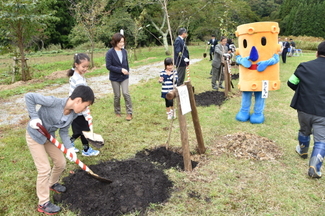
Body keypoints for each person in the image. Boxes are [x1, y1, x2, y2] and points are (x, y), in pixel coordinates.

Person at [25, 85, 95, 215]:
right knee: (44, 169)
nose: (85, 109)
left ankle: (52, 183)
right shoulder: (53, 102)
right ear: (78, 100)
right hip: (35, 136)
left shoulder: (73, 113)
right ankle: (43, 203)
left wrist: (70, 149)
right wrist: (34, 117)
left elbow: (63, 131)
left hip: (49, 137)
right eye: (85, 106)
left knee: (61, 163)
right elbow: (29, 97)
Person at [288, 41, 325, 178]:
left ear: (317, 53)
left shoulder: (304, 66)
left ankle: (303, 151)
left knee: (304, 130)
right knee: (321, 140)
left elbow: (291, 83)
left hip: (303, 108)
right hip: (323, 112)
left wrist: (303, 90)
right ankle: (315, 167)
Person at [67, 53, 99, 156]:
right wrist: (86, 112)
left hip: (75, 108)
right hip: (78, 109)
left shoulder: (77, 76)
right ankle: (86, 150)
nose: (85, 69)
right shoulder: (78, 79)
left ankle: (69, 143)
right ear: (76, 65)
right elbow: (81, 97)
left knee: (78, 130)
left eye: (87, 67)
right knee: (85, 130)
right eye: (83, 66)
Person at [106, 33, 133, 121]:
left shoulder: (124, 51)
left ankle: (129, 112)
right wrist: (120, 70)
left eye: (123, 42)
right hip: (114, 78)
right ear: (115, 42)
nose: (122, 44)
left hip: (124, 77)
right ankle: (117, 111)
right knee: (117, 95)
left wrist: (127, 71)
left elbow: (126, 63)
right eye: (120, 42)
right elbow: (108, 66)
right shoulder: (110, 53)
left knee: (126, 93)